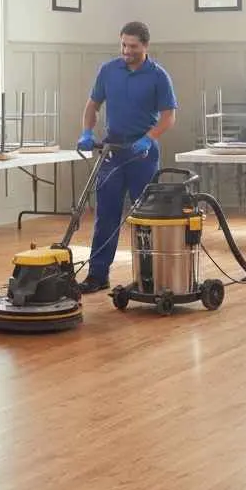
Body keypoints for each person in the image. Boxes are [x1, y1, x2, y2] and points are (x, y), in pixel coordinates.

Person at [75, 21, 177, 293]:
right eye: (123, 45)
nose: (127, 51)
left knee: (145, 216)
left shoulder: (157, 76)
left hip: (142, 153)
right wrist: (86, 131)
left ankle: (150, 276)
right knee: (105, 214)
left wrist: (149, 138)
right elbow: (92, 105)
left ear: (145, 46)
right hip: (112, 151)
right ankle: (97, 275)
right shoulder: (108, 71)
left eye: (132, 46)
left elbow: (169, 117)